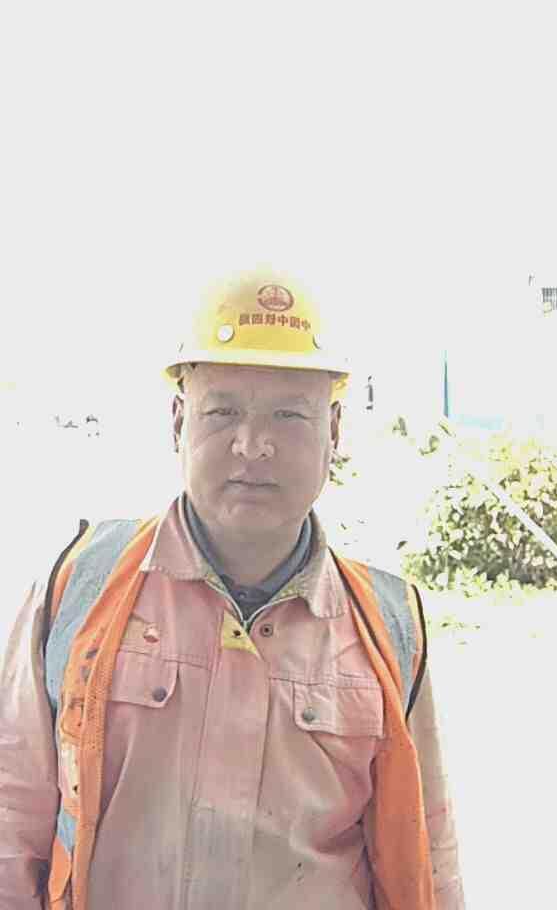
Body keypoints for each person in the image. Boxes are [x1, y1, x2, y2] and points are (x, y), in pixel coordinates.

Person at [0, 271, 464, 909]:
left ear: (333, 431)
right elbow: (11, 814)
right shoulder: (80, 584)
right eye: (222, 412)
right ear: (178, 421)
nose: (253, 445)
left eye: (289, 414)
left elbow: (429, 850)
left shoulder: (388, 623)